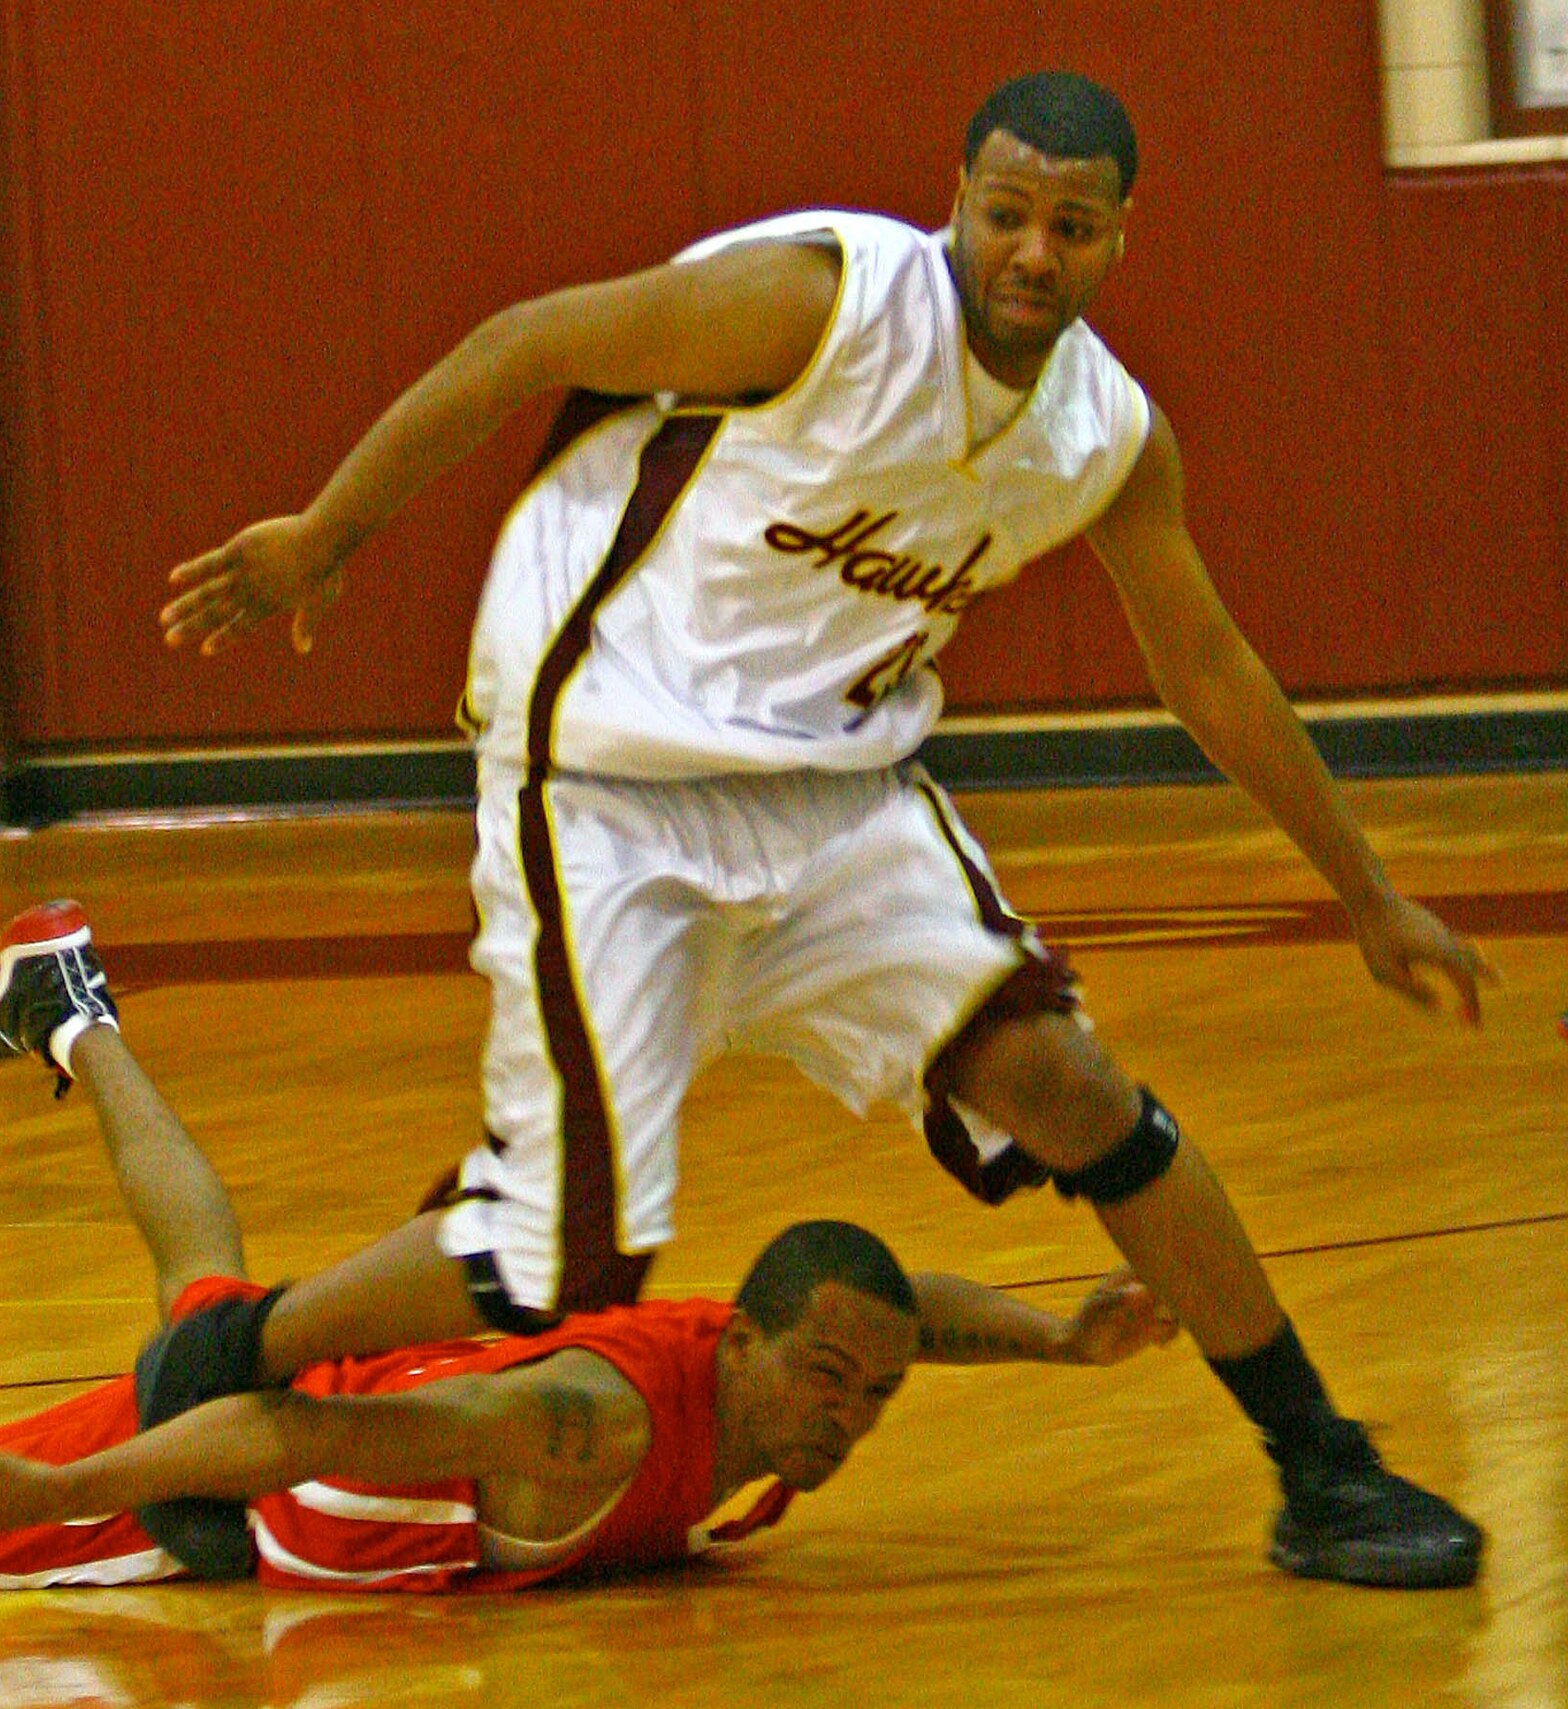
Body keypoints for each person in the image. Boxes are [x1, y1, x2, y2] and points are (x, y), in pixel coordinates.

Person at [156, 71, 1493, 1589]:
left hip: (836, 794)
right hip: (609, 777)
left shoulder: (1105, 435)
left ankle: (1322, 1466)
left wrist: (1370, 893)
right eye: (1005, 215)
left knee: (1066, 1081)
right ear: (959, 202)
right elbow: (522, 342)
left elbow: (1208, 670)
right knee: (565, 1260)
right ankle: (234, 1349)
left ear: (1124, 237)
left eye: (1073, 226)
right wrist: (324, 532)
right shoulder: (821, 303)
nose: (1033, 254)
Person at [0, 901, 1177, 1593]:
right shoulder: (589, 1419)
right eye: (828, 1382)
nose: (845, 1414)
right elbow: (294, 1426)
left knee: (208, 1287)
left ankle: (71, 1008)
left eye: (863, 1397)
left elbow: (897, 1311)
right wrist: (64, 1489)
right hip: (241, 1475)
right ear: (749, 1343)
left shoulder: (766, 1350)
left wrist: (1054, 1336)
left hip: (348, 1375)